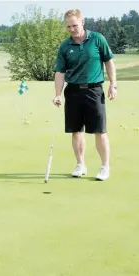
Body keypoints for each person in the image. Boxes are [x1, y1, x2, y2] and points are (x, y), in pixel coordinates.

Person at [53, 9, 117, 181]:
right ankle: (80, 164)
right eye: (68, 27)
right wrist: (58, 94)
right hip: (73, 92)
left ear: (82, 22)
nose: (72, 29)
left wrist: (113, 84)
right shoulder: (65, 46)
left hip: (94, 90)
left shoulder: (97, 39)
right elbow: (60, 72)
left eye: (74, 25)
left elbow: (109, 62)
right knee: (76, 131)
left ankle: (105, 167)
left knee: (99, 130)